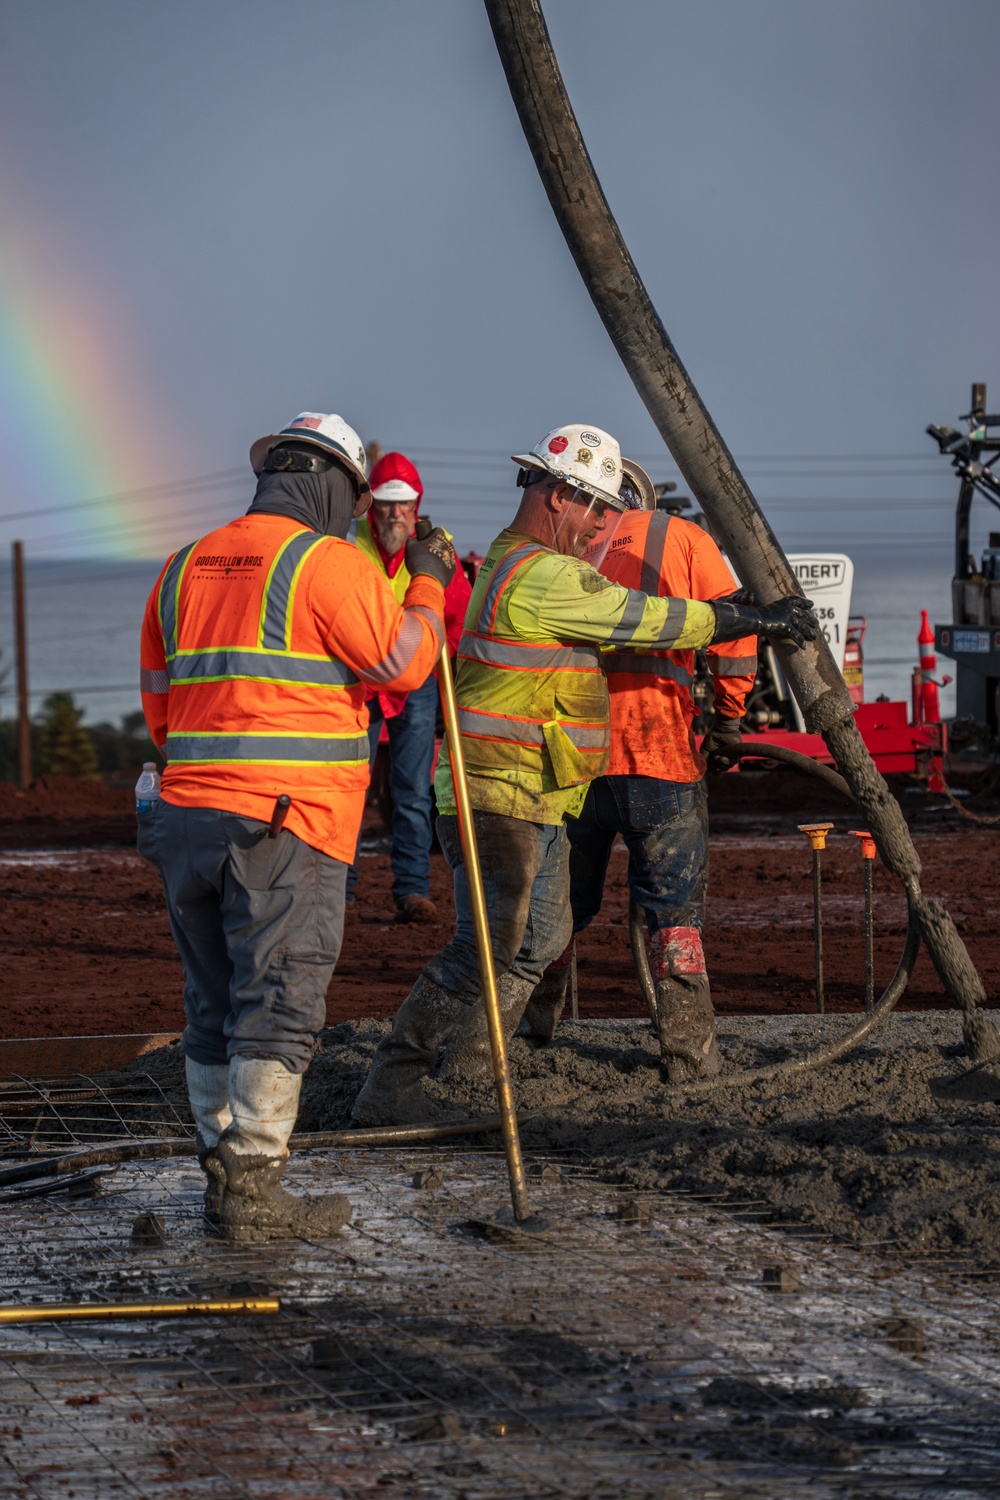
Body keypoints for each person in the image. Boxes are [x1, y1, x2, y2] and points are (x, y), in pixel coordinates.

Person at [351, 423, 816, 1125]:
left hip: (549, 787)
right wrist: (751, 625)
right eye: (595, 507)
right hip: (508, 792)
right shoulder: (544, 574)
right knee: (508, 938)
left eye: (611, 507)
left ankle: (486, 1059)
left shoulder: (511, 558)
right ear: (557, 495)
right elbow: (649, 619)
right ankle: (397, 1083)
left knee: (548, 928)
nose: (606, 522)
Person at [138, 412, 455, 1241]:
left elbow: (161, 707)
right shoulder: (328, 563)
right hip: (285, 822)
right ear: (331, 484)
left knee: (212, 1009)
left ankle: (222, 1180)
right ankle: (253, 1201)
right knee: (278, 1006)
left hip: (185, 817)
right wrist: (424, 580)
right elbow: (404, 663)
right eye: (353, 496)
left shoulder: (182, 566)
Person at [522, 459, 757, 1082]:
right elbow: (734, 633)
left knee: (559, 907)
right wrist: (729, 721)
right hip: (660, 757)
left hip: (578, 762)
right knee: (673, 911)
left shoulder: (562, 548)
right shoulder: (684, 539)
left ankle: (529, 1031)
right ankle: (687, 1055)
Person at [349, 451, 471, 922]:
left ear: (417, 505)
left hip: (415, 682)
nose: (395, 513)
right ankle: (341, 889)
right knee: (350, 785)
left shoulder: (437, 552)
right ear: (371, 505)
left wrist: (440, 668)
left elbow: (455, 614)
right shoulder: (346, 545)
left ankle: (412, 890)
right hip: (361, 680)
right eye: (386, 503)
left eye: (403, 504)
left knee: (413, 790)